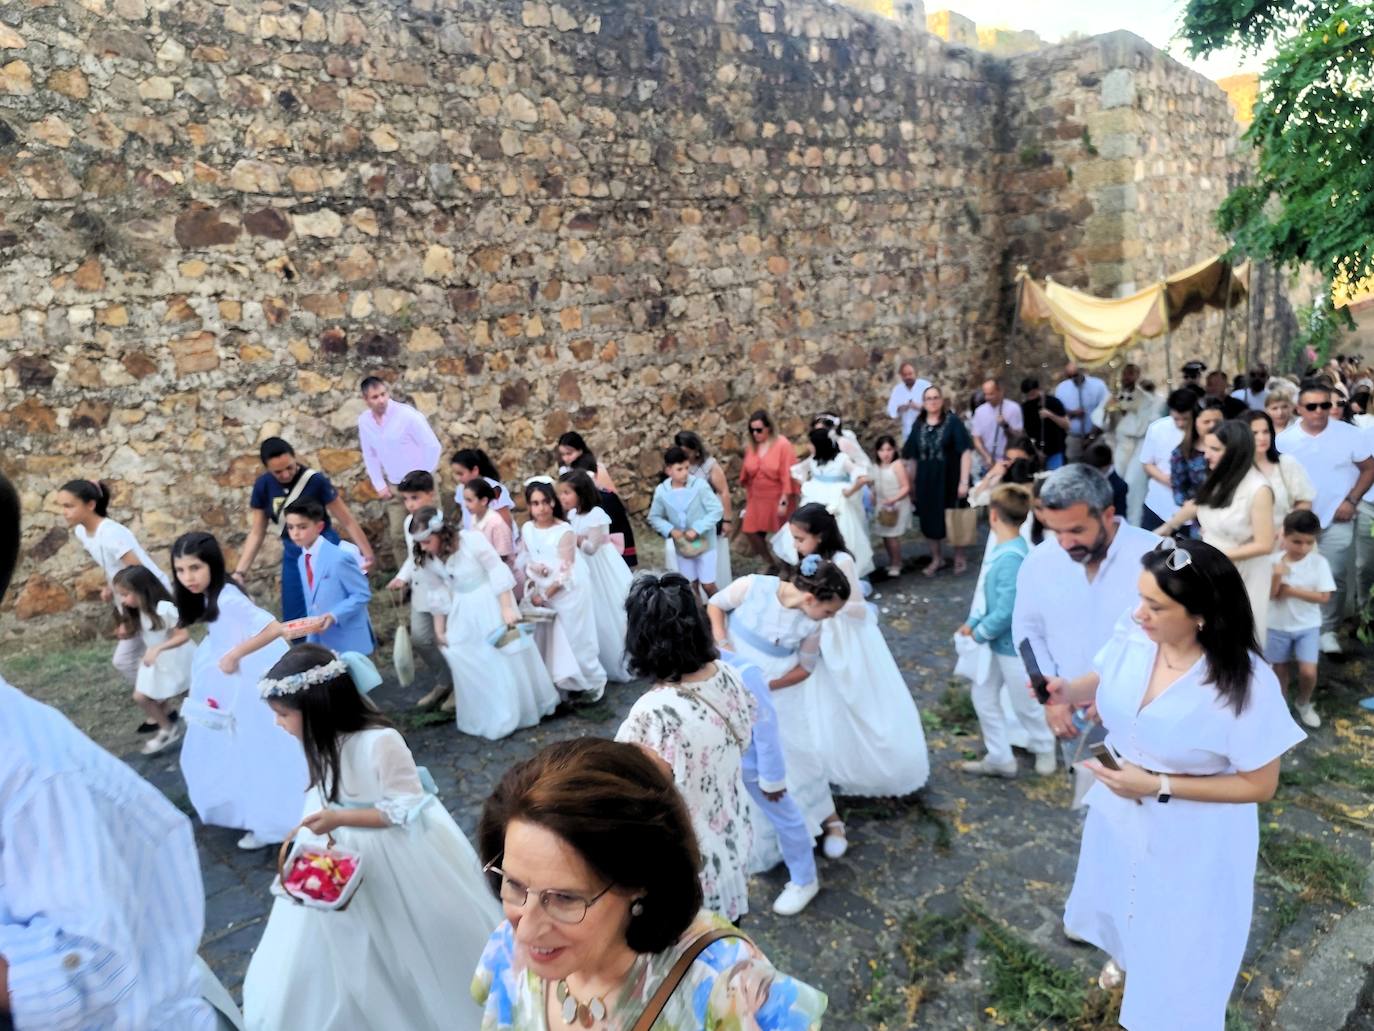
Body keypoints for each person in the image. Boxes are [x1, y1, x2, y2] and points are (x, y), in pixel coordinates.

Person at [0, 470, 240, 1031]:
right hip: (141, 612)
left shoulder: (36, 771)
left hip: (157, 616)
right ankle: (165, 716)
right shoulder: (88, 536)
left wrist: (146, 602)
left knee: (150, 680)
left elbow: (92, 963)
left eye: (64, 504)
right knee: (132, 672)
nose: (59, 513)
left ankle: (170, 719)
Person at [1051, 538, 1304, 1027]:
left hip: (1195, 834)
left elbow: (1259, 785)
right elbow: (1104, 675)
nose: (1139, 613)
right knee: (1120, 892)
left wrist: (1158, 784)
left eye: (1156, 606)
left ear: (1201, 615)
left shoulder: (1246, 685)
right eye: (1141, 598)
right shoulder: (1136, 631)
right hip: (1121, 808)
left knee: (1180, 938)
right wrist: (1069, 688)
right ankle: (1127, 957)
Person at [470, 738, 827, 1028]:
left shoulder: (725, 985)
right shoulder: (508, 950)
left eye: (563, 898)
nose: (527, 930)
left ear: (640, 881)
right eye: (515, 885)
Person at [243, 645, 500, 1031]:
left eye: (283, 715)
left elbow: (403, 808)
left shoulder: (380, 741)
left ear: (316, 707)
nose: (279, 724)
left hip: (393, 850)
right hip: (336, 844)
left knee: (409, 937)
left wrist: (339, 817)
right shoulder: (320, 741)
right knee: (335, 940)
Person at [1012, 464, 1158, 805]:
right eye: (1055, 530)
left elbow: (1187, 640)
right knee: (1096, 801)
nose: (1065, 543)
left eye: (1076, 530)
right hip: (1080, 722)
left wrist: (1119, 694)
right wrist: (1050, 696)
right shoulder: (1038, 561)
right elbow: (1026, 631)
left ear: (1107, 514)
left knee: (1152, 811)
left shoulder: (1160, 555)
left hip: (1148, 719)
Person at [615, 574, 756, 923]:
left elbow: (632, 796)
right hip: (732, 836)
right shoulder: (728, 674)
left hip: (687, 864)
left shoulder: (652, 714)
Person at [707, 556, 852, 871]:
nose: (828, 618)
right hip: (736, 684)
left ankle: (829, 819)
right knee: (746, 756)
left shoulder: (811, 623)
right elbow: (715, 605)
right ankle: (762, 831)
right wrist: (723, 642)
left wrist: (769, 685)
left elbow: (806, 667)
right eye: (828, 611)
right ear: (811, 598)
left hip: (780, 695)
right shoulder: (753, 587)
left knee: (794, 754)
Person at [171, 531, 308, 850]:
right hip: (232, 678)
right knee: (241, 748)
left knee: (259, 747)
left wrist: (234, 654)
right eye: (181, 570)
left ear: (212, 565)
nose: (188, 577)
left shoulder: (227, 597)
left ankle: (275, 819)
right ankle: (255, 808)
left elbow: (273, 628)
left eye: (195, 568)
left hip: (247, 681)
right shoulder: (213, 595)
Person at [783, 504, 930, 798]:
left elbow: (859, 609)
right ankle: (827, 765)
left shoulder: (841, 561)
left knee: (856, 700)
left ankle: (868, 769)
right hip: (815, 633)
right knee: (819, 701)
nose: (795, 546)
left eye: (800, 539)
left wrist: (829, 605)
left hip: (845, 639)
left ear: (820, 536)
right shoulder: (805, 562)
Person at [413, 507, 558, 740]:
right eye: (421, 544)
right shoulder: (429, 559)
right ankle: (486, 711)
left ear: (442, 534)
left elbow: (495, 569)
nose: (424, 548)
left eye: (428, 541)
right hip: (462, 608)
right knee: (468, 654)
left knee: (499, 654)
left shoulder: (471, 541)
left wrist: (506, 608)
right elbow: (437, 592)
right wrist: (439, 629)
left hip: (489, 600)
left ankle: (513, 710)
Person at [959, 485, 1056, 778]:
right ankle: (1000, 756)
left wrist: (979, 633)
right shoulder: (1004, 551)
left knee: (1025, 703)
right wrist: (973, 623)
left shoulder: (1012, 557)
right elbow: (989, 600)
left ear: (993, 516)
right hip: (996, 644)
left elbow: (1006, 609)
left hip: (1013, 647)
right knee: (983, 696)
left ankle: (1044, 746)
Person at [58, 478, 172, 717]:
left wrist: (128, 620)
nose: (64, 512)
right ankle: (162, 707)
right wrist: (110, 586)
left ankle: (172, 707)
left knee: (168, 657)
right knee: (128, 659)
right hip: (130, 599)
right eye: (63, 506)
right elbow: (112, 565)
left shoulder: (111, 533)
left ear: (90, 505)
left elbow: (140, 576)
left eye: (69, 506)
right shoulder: (82, 532)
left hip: (151, 599)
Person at [1276, 379, 1374, 653]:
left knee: (1335, 573)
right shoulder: (1285, 440)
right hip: (1298, 519)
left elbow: (1369, 468)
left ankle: (1327, 631)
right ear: (1299, 409)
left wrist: (1352, 500)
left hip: (1338, 516)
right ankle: (1297, 630)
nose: (1319, 411)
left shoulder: (1350, 435)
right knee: (1297, 574)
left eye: (1325, 405)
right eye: (1312, 406)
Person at [234, 437, 374, 620]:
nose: (285, 475)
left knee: (331, 607)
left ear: (295, 458)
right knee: (295, 613)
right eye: (278, 472)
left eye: (289, 467)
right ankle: (306, 648)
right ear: (267, 469)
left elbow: (346, 520)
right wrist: (240, 572)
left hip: (324, 549)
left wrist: (368, 554)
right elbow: (257, 532)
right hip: (293, 553)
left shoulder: (315, 481)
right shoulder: (263, 485)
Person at [1158, 421, 1276, 639]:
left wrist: (1214, 556)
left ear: (1234, 452)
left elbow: (1265, 544)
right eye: (1207, 447)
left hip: (1242, 572)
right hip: (1209, 567)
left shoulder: (1258, 489)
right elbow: (1197, 504)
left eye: (1215, 449)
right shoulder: (1218, 476)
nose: (1206, 454)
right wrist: (1165, 528)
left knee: (1235, 637)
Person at [520, 478, 608, 702]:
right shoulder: (527, 528)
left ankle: (592, 681)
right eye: (535, 503)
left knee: (575, 637)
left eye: (545, 502)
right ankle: (563, 683)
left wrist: (545, 595)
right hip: (543, 586)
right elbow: (527, 556)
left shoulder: (564, 531)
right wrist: (534, 568)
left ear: (552, 503)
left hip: (569, 591)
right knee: (550, 640)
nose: (541, 508)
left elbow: (566, 571)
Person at [357, 375, 443, 568]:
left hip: (420, 484)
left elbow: (432, 446)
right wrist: (379, 484)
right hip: (395, 486)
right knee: (398, 535)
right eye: (374, 397)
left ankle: (441, 572)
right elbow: (369, 455)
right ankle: (410, 582)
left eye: (383, 394)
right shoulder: (364, 422)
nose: (380, 400)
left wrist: (424, 478)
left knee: (431, 528)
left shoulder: (407, 415)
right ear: (366, 399)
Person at [386, 470, 454, 710]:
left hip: (443, 592)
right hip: (421, 592)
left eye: (415, 498)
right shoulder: (408, 523)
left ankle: (458, 685)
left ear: (431, 494)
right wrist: (401, 577)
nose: (409, 504)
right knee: (421, 639)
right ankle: (443, 680)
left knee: (445, 639)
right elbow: (412, 557)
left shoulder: (441, 522)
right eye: (405, 499)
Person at [557, 471, 633, 681]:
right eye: (561, 493)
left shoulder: (597, 515)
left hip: (600, 567)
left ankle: (620, 657)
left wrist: (575, 538)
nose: (562, 498)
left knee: (609, 608)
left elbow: (591, 548)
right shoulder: (572, 516)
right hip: (582, 567)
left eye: (566, 493)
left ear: (581, 493)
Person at [112, 565, 194, 755]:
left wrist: (158, 649)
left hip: (178, 659)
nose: (123, 601)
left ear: (142, 590)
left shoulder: (164, 608)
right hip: (159, 661)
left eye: (125, 595)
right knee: (140, 696)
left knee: (191, 696)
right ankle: (167, 728)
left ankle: (206, 729)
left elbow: (183, 636)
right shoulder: (137, 611)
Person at [1267, 510, 1335, 729]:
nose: (1302, 548)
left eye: (1308, 542)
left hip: (1308, 626)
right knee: (1280, 669)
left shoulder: (1318, 563)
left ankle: (1304, 702)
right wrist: (1277, 576)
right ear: (1283, 536)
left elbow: (1324, 596)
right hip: (1277, 625)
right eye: (1296, 542)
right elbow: (1272, 594)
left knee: (1308, 671)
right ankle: (1279, 706)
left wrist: (1292, 591)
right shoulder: (1273, 561)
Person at [282, 499, 374, 655]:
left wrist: (334, 615)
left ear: (319, 526)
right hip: (323, 643)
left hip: (350, 640)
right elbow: (312, 603)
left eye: (302, 527)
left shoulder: (339, 557)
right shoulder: (300, 560)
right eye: (290, 527)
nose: (295, 533)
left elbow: (362, 594)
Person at [783, 427, 874, 578]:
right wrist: (806, 483)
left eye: (810, 443)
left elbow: (863, 476)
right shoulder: (814, 460)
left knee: (843, 532)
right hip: (815, 497)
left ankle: (845, 572)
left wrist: (849, 491)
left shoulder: (841, 459)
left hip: (836, 500)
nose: (808, 446)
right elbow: (796, 472)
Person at [903, 384, 974, 576]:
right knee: (929, 519)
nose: (932, 402)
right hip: (926, 481)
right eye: (928, 398)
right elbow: (912, 458)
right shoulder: (918, 425)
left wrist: (964, 481)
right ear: (923, 403)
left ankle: (959, 557)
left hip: (950, 479)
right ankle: (937, 558)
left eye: (936, 398)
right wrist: (911, 485)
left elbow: (965, 452)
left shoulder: (953, 422)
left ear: (941, 401)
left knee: (955, 517)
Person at [649, 446, 725, 599]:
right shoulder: (662, 491)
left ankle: (721, 613)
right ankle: (699, 618)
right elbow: (654, 517)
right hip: (683, 547)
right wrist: (671, 530)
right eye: (679, 469)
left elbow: (716, 510)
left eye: (686, 468)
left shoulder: (700, 486)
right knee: (690, 586)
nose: (685, 472)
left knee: (708, 584)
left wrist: (697, 528)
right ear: (668, 470)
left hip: (705, 543)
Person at [555, 432, 638, 568]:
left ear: (580, 450)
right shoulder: (565, 470)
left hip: (602, 506)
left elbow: (609, 493)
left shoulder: (593, 469)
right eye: (562, 454)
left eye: (569, 453)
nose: (565, 458)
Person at [670, 430, 734, 588]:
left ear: (694, 449)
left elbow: (723, 492)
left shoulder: (708, 465)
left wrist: (727, 520)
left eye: (686, 451)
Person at [739, 409, 799, 571]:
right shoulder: (751, 447)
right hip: (757, 497)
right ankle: (771, 562)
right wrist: (748, 502)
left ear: (769, 428)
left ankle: (788, 566)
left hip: (778, 495)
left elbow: (788, 473)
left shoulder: (782, 444)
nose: (755, 434)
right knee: (749, 530)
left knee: (784, 533)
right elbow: (748, 479)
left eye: (759, 430)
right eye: (752, 430)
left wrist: (785, 499)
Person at [1137, 389, 1198, 531]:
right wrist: (1167, 479)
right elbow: (1147, 463)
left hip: (1190, 511)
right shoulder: (1157, 428)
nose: (1181, 423)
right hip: (1158, 505)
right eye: (1177, 418)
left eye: (1186, 419)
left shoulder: (1202, 431)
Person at [1109, 366, 1161, 525]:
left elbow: (1147, 423)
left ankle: (1134, 525)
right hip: (1120, 444)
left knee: (1133, 487)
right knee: (1115, 484)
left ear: (1137, 375)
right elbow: (1103, 421)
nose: (1127, 377)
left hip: (1139, 444)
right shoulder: (1114, 396)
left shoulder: (1147, 398)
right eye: (1125, 373)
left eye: (1131, 373)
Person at [1248, 409, 1314, 532]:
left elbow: (1304, 501)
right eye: (1254, 433)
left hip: (1285, 538)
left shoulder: (1286, 463)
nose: (1261, 437)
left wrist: (1288, 529)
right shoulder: (1234, 468)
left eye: (1265, 431)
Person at [1168, 398, 1227, 531]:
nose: (1212, 426)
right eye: (1206, 422)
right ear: (1195, 422)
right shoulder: (1182, 452)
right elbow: (1178, 488)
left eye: (1217, 421)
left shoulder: (1233, 449)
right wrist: (1190, 506)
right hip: (1198, 519)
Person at [464, 477, 522, 598]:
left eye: (470, 500)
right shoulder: (474, 519)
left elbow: (503, 557)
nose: (466, 505)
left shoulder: (496, 523)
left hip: (503, 581)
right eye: (465, 500)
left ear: (484, 501)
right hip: (485, 578)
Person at [872, 434, 912, 577]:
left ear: (894, 450)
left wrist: (894, 499)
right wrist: (873, 496)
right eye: (882, 450)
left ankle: (897, 563)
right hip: (882, 504)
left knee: (892, 536)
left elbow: (905, 487)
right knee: (885, 535)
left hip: (897, 503)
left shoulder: (897, 465)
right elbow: (875, 483)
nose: (886, 454)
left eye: (889, 450)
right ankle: (892, 561)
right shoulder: (876, 466)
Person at [1054, 362, 1109, 461]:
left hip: (1095, 437)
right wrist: (1073, 413)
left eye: (1075, 375)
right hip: (1074, 437)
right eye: (1070, 376)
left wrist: (1092, 436)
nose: (1073, 378)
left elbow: (1105, 409)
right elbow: (1059, 412)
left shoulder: (1098, 385)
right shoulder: (1061, 388)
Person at [452, 448, 516, 531]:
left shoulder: (494, 488)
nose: (457, 478)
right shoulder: (460, 489)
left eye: (461, 474)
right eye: (455, 474)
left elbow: (506, 522)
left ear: (475, 470)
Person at [972, 376, 1025, 469]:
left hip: (1009, 461)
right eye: (985, 394)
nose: (987, 397)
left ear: (1000, 392)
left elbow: (1019, 436)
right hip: (988, 462)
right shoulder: (979, 411)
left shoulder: (1013, 408)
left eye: (991, 394)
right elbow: (976, 438)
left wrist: (1005, 426)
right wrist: (986, 456)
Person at [1021, 376, 1070, 470]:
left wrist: (1050, 415)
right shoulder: (1025, 407)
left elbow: (1067, 425)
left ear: (1038, 390)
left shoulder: (1053, 402)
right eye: (1028, 396)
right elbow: (1026, 433)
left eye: (1033, 394)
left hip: (1055, 450)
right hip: (1036, 453)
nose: (1031, 398)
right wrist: (1036, 451)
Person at [887, 359, 932, 450]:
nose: (908, 377)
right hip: (908, 432)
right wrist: (901, 408)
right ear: (901, 376)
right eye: (905, 375)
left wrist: (920, 407)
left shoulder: (925, 386)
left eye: (910, 374)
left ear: (915, 373)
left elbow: (935, 405)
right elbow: (891, 410)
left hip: (927, 429)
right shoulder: (897, 390)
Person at [1085, 443, 1128, 518]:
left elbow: (1119, 516)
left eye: (1098, 470)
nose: (1094, 473)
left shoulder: (1119, 486)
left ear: (1108, 465)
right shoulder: (1086, 473)